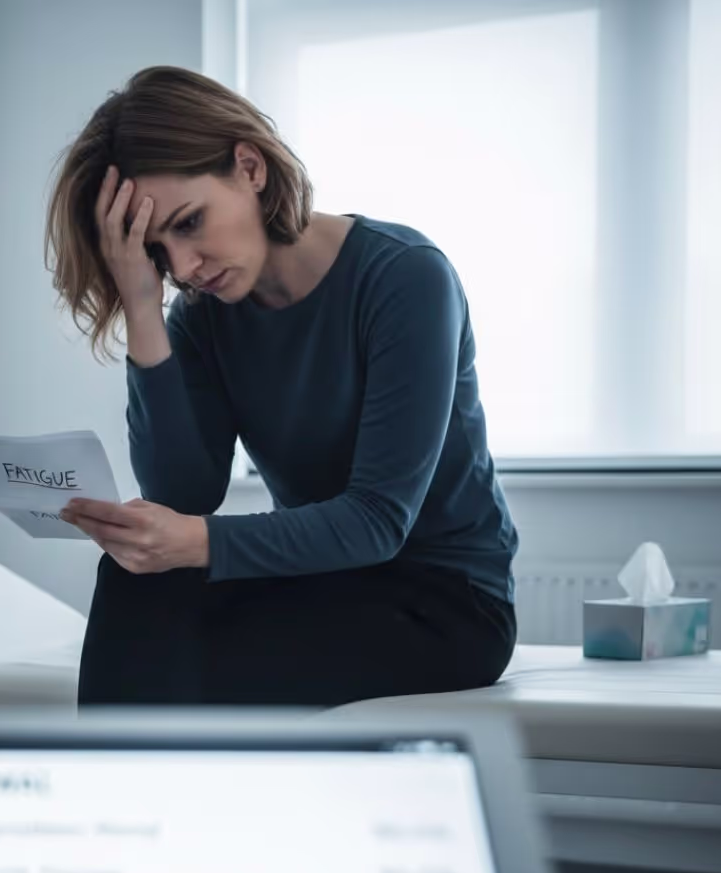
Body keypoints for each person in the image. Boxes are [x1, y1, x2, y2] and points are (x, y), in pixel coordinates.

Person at [43, 66, 519, 708]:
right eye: (156, 252)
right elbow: (186, 494)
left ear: (249, 167)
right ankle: (118, 798)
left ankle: (133, 793)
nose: (183, 268)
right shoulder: (204, 315)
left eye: (188, 223)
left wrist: (190, 541)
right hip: (324, 579)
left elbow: (378, 521)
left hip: (445, 600)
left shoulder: (404, 278)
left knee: (186, 668)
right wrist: (142, 308)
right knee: (135, 579)